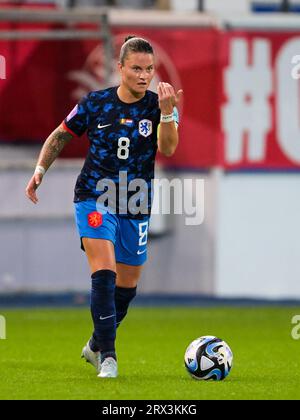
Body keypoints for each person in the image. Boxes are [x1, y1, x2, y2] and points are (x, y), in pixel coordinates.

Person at [25, 36, 183, 378]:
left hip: (136, 201)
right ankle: (108, 357)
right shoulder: (95, 104)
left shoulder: (160, 105)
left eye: (149, 69)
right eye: (137, 68)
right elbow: (60, 135)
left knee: (125, 289)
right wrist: (39, 171)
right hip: (94, 197)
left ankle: (96, 343)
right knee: (104, 273)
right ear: (121, 68)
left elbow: (168, 149)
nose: (144, 76)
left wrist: (169, 113)